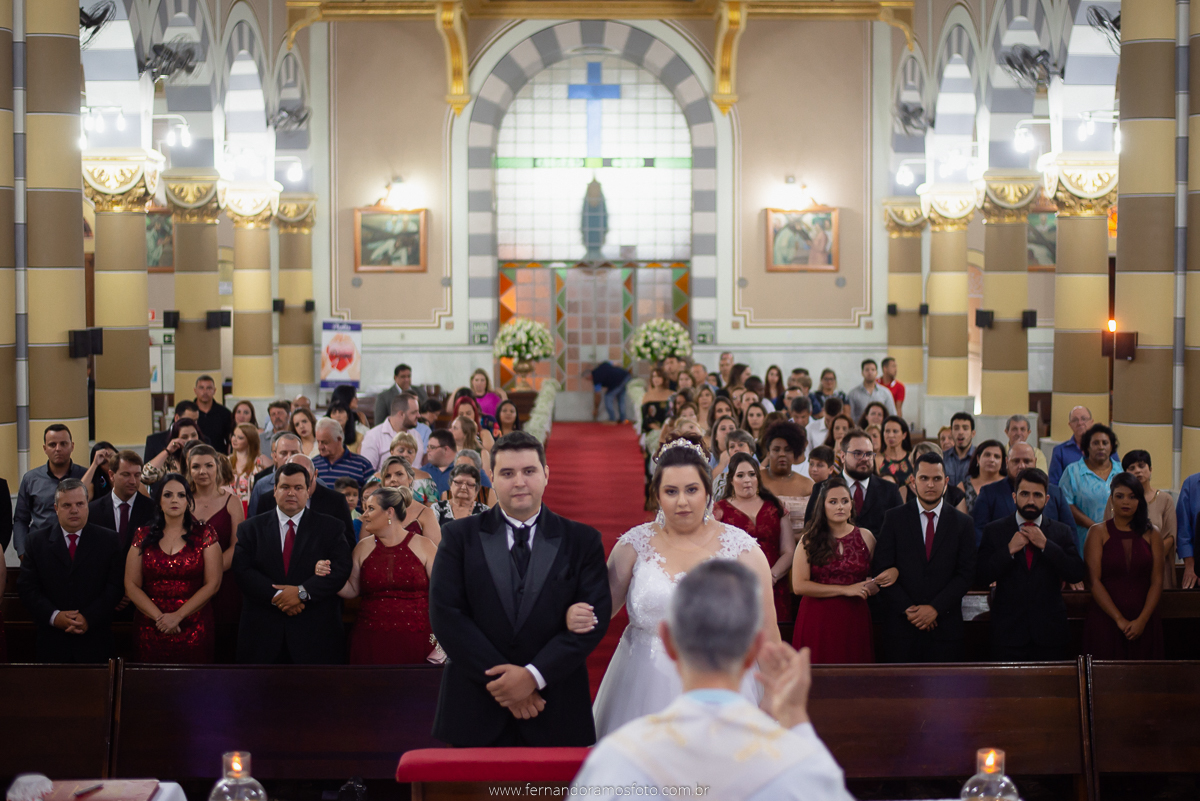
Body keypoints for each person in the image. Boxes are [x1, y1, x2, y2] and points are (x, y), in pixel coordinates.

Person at [573, 561, 855, 801]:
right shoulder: (800, 765)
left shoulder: (617, 759)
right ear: (754, 648)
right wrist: (796, 721)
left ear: (669, 643)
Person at [429, 431, 611, 747]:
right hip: (475, 707)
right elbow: (447, 615)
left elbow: (594, 619)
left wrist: (533, 676)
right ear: (491, 477)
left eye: (529, 471)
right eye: (507, 473)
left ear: (546, 474)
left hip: (555, 705)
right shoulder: (459, 537)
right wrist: (507, 685)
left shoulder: (582, 541)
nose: (519, 482)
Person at [591, 434, 779, 739]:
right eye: (671, 491)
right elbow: (599, 611)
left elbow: (768, 632)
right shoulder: (633, 546)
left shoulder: (742, 550)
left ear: (708, 491)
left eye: (692, 490)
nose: (682, 501)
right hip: (642, 682)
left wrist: (773, 694)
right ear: (657, 495)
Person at [232, 462, 353, 664]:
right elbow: (242, 571)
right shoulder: (250, 529)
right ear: (274, 491)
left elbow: (341, 569)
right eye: (285, 487)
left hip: (315, 635)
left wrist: (301, 593)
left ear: (308, 492)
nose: (291, 493)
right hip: (263, 635)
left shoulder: (331, 528)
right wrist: (279, 596)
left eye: (298, 488)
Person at [871, 453, 977, 663]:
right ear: (913, 481)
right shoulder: (894, 518)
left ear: (946, 482)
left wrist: (935, 608)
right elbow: (881, 569)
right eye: (924, 478)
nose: (930, 484)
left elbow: (966, 575)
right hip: (902, 628)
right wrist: (910, 610)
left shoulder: (963, 523)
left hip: (945, 628)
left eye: (937, 479)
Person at [318, 486, 438, 664]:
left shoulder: (425, 546)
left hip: (419, 640)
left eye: (371, 509)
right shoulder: (362, 547)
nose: (364, 515)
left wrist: (441, 645)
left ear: (390, 512)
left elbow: (443, 593)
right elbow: (351, 589)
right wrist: (327, 573)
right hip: (370, 639)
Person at [977, 468, 1085, 661]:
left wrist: (1046, 546)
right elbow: (980, 575)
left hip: (1050, 634)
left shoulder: (1061, 531)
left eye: (1037, 495)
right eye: (1024, 494)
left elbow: (1076, 572)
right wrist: (1008, 550)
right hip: (1007, 635)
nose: (1031, 501)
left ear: (1047, 499)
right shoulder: (995, 530)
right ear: (1014, 496)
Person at [17, 479, 124, 662]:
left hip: (95, 640)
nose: (74, 510)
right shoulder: (36, 542)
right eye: (67, 505)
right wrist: (55, 616)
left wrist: (88, 618)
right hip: (52, 642)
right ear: (56, 508)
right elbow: (27, 589)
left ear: (87, 506)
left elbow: (115, 587)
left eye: (80, 504)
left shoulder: (109, 541)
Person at [792, 477, 896, 663]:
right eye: (833, 502)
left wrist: (876, 583)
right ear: (822, 506)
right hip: (817, 619)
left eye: (844, 501)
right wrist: (845, 590)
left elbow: (878, 578)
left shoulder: (866, 537)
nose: (840, 506)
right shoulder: (809, 539)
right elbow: (799, 586)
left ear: (851, 506)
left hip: (854, 618)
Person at [124, 474, 223, 663]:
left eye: (181, 495)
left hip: (194, 624)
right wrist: (160, 619)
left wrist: (178, 616)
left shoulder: (205, 534)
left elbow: (213, 584)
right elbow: (131, 585)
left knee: (195, 687)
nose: (175, 500)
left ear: (188, 501)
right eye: (168, 495)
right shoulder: (142, 535)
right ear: (159, 501)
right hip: (150, 624)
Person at [1081, 473, 1165, 659]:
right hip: (1106, 617)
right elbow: (1093, 581)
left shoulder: (1152, 533)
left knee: (1144, 681)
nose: (1125, 502)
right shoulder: (1097, 532)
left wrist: (1142, 620)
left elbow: (1157, 581)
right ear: (1111, 499)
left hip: (1144, 616)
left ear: (1140, 500)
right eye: (1120, 496)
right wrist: (1119, 619)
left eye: (1132, 496)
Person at [714, 453, 795, 622]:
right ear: (731, 480)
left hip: (775, 585)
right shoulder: (719, 511)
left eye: (752, 474)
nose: (747, 480)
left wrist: (771, 577)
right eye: (740, 475)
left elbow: (788, 551)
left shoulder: (775, 507)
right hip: (736, 590)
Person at [187, 445, 246, 654]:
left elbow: (237, 546)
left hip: (224, 583)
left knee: (223, 645)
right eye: (196, 466)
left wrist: (211, 573)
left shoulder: (232, 501)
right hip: (187, 584)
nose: (202, 471)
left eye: (208, 465)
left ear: (217, 467)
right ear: (189, 469)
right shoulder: (181, 501)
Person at [805, 429, 904, 538]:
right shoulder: (821, 489)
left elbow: (901, 532)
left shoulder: (890, 491)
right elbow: (811, 531)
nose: (865, 458)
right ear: (842, 456)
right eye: (858, 453)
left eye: (869, 454)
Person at [972, 442, 1075, 544]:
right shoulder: (989, 493)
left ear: (1035, 462)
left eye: (1027, 461)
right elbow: (979, 534)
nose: (1021, 466)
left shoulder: (1055, 493)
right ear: (1007, 462)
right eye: (1016, 461)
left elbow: (1071, 535)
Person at [1104, 450, 1177, 589]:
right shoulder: (1116, 499)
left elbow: (1170, 537)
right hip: (1122, 565)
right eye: (1131, 468)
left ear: (1150, 469)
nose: (1138, 471)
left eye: (1141, 466)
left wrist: (1145, 558)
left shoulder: (1165, 499)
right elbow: (1107, 530)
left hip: (1157, 564)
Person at [13, 425, 89, 557]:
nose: (58, 449)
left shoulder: (85, 476)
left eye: (63, 444)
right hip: (40, 550)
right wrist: (22, 552)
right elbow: (21, 519)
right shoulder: (31, 479)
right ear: (45, 448)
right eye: (52, 444)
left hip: (78, 550)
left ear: (72, 446)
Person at [255, 454, 358, 550]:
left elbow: (347, 544)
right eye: (287, 485)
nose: (292, 492)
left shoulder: (336, 501)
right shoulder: (267, 500)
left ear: (315, 474)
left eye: (303, 481)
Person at [1060, 423, 1122, 552]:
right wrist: (1095, 527)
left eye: (1105, 443)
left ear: (1111, 447)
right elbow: (1066, 504)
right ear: (1087, 446)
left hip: (1118, 538)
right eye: (1095, 443)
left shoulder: (1121, 471)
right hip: (1084, 538)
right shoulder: (1073, 472)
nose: (1101, 447)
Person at [759, 422, 815, 544]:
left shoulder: (808, 485)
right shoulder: (756, 481)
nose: (782, 454)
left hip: (800, 549)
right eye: (776, 449)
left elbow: (816, 525)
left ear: (795, 453)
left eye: (788, 450)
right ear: (768, 453)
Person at [88, 450, 155, 551]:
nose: (133, 481)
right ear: (111, 475)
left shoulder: (152, 509)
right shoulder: (93, 510)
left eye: (137, 475)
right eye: (126, 475)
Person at [377, 456, 442, 544]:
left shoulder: (426, 513)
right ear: (383, 483)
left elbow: (436, 554)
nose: (393, 479)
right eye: (387, 476)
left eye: (399, 474)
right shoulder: (375, 511)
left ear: (410, 479)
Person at [362, 392, 424, 471]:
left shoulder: (416, 435)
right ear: (401, 414)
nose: (419, 415)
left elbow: (418, 468)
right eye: (414, 412)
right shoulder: (374, 436)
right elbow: (367, 473)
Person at [247, 433, 303, 516]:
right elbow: (252, 521)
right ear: (275, 456)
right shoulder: (262, 485)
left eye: (294, 453)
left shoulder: (315, 483)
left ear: (302, 454)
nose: (289, 457)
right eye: (284, 453)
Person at [313, 417, 375, 490]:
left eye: (325, 442)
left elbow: (372, 495)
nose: (320, 447)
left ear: (339, 439)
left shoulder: (363, 465)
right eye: (318, 442)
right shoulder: (313, 464)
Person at [1048, 406, 1096, 485]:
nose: (1080, 423)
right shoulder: (1060, 451)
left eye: (1084, 419)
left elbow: (1117, 476)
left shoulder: (1105, 449)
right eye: (1075, 420)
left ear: (1091, 422)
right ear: (1070, 425)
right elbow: (1054, 484)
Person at [388, 432, 440, 503]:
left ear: (415, 454)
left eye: (410, 452)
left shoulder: (425, 478)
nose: (405, 454)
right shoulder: (378, 478)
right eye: (401, 451)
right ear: (392, 452)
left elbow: (434, 509)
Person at [959, 440, 1006, 514]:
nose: (991, 460)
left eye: (996, 457)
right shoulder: (963, 487)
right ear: (978, 458)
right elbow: (961, 519)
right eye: (987, 455)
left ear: (1002, 461)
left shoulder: (1010, 484)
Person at [192, 375, 233, 454]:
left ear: (214, 390)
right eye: (201, 388)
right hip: (193, 455)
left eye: (209, 388)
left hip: (218, 456)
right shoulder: (188, 412)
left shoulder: (224, 413)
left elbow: (230, 438)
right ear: (195, 390)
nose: (205, 392)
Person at [876, 415, 912, 501]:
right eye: (887, 431)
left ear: (904, 435)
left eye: (895, 431)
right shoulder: (877, 459)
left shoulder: (912, 458)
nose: (890, 435)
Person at [228, 423, 261, 505]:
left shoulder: (258, 464)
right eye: (234, 435)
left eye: (240, 438)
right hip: (229, 506)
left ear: (250, 440)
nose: (234, 439)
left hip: (250, 507)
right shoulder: (227, 461)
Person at [942, 412, 976, 489]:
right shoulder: (943, 457)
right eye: (956, 428)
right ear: (951, 433)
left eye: (965, 428)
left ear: (973, 433)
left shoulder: (979, 458)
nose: (960, 432)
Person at [423, 429, 458, 498]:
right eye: (428, 447)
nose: (427, 450)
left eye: (432, 447)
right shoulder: (422, 472)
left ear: (446, 450)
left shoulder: (466, 470)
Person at [641, 368, 673, 435]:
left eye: (659, 376)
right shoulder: (647, 395)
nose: (656, 379)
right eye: (654, 376)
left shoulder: (672, 394)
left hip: (669, 428)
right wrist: (659, 430)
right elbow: (646, 418)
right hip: (653, 431)